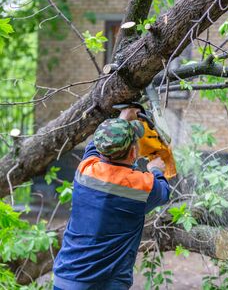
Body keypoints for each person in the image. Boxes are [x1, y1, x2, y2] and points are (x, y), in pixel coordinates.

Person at [53, 107, 171, 290]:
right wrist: (156, 169)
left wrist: (122, 118)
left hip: (66, 278)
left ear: (101, 151)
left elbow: (94, 146)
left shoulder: (86, 169)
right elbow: (164, 192)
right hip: (106, 284)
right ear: (134, 153)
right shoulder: (142, 185)